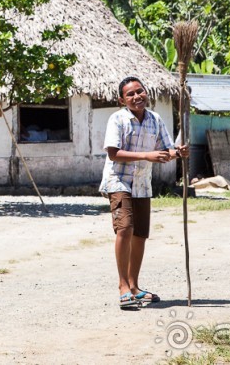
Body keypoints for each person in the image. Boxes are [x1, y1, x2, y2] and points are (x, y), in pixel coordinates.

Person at [100, 76, 188, 308]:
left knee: (140, 234)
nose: (137, 96)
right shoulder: (117, 119)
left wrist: (178, 153)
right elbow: (113, 153)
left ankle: (134, 286)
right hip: (119, 180)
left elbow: (165, 150)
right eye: (130, 94)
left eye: (140, 91)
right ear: (122, 99)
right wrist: (146, 156)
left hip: (142, 183)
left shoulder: (155, 120)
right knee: (125, 228)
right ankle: (122, 287)